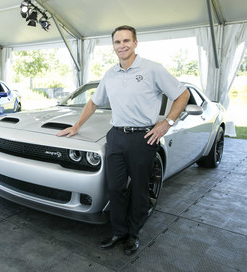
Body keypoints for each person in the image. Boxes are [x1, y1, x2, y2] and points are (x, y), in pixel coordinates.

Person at [57, 25, 190, 255]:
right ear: (113, 46)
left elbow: (182, 94)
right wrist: (77, 126)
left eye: (126, 41)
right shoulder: (110, 73)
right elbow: (94, 102)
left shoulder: (152, 69)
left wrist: (166, 123)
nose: (122, 45)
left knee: (139, 190)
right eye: (117, 42)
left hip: (143, 138)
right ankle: (118, 231)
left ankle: (133, 234)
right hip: (116, 136)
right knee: (115, 187)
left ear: (136, 43)